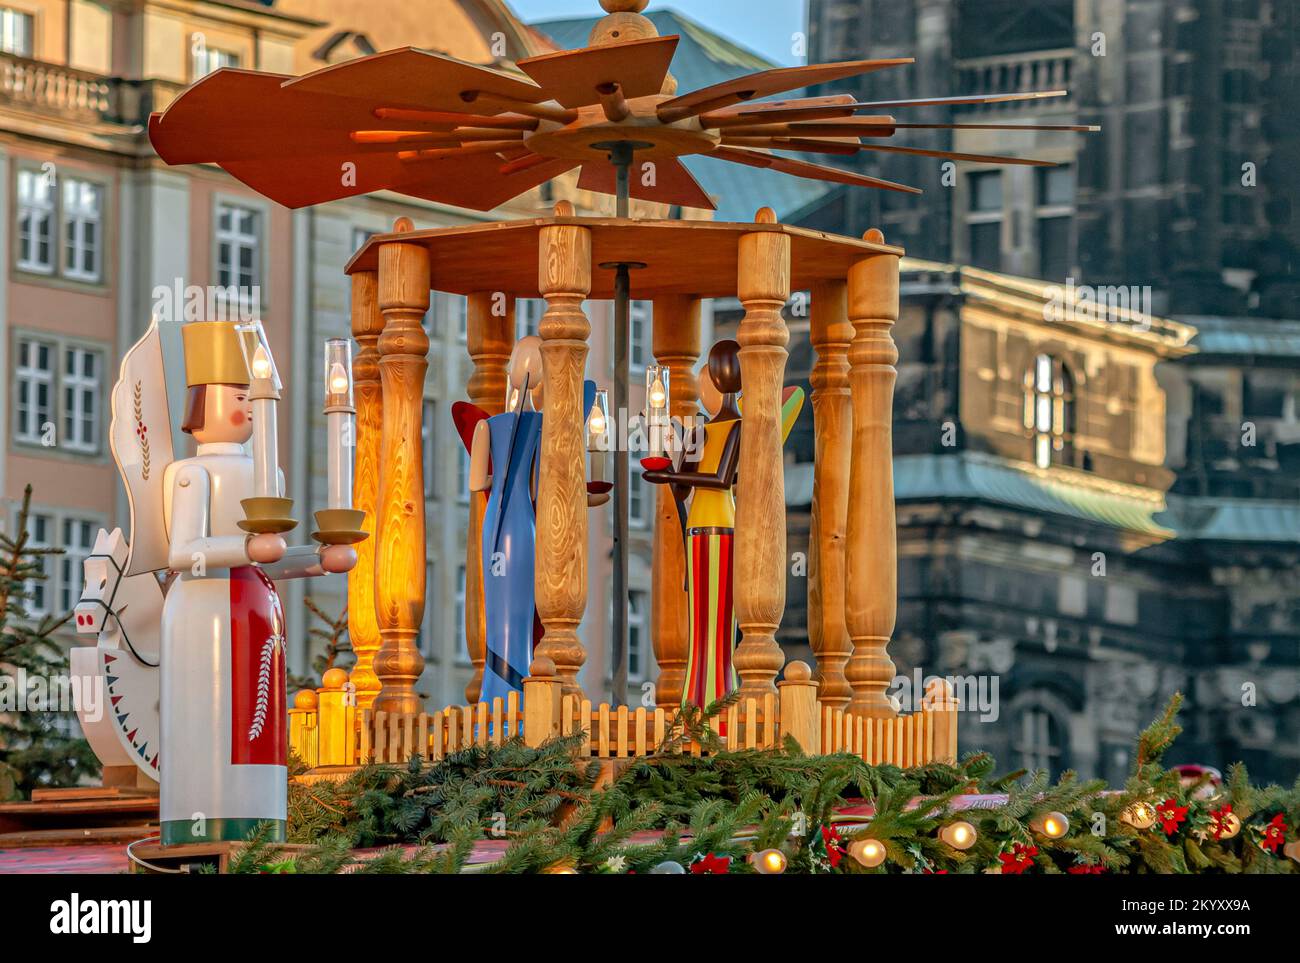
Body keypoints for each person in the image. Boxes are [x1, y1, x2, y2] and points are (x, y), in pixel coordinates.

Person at [159, 321, 354, 845]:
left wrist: (321, 558)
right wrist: (246, 549)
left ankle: (261, 825)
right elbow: (182, 553)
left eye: (253, 395)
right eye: (236, 395)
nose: (247, 405)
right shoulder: (190, 474)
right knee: (208, 719)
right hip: (204, 615)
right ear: (201, 404)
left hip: (256, 611)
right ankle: (198, 828)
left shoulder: (269, 477)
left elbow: (272, 560)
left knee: (259, 726)